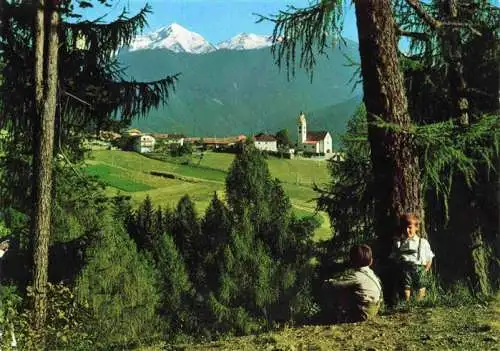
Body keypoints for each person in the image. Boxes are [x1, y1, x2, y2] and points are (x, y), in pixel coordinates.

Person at [324, 244, 382, 322]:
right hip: (373, 310)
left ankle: (335, 315)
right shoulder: (371, 273)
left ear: (352, 261)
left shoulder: (356, 276)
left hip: (362, 313)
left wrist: (327, 282)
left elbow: (336, 284)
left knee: (339, 289)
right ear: (371, 261)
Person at [392, 213, 434, 301]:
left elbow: (429, 257)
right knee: (405, 287)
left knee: (421, 286)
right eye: (405, 228)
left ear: (416, 228)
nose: (407, 230)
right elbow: (395, 256)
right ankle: (407, 304)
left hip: (419, 268)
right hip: (405, 269)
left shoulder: (423, 242)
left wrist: (425, 270)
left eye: (410, 227)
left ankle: (419, 303)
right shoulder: (400, 243)